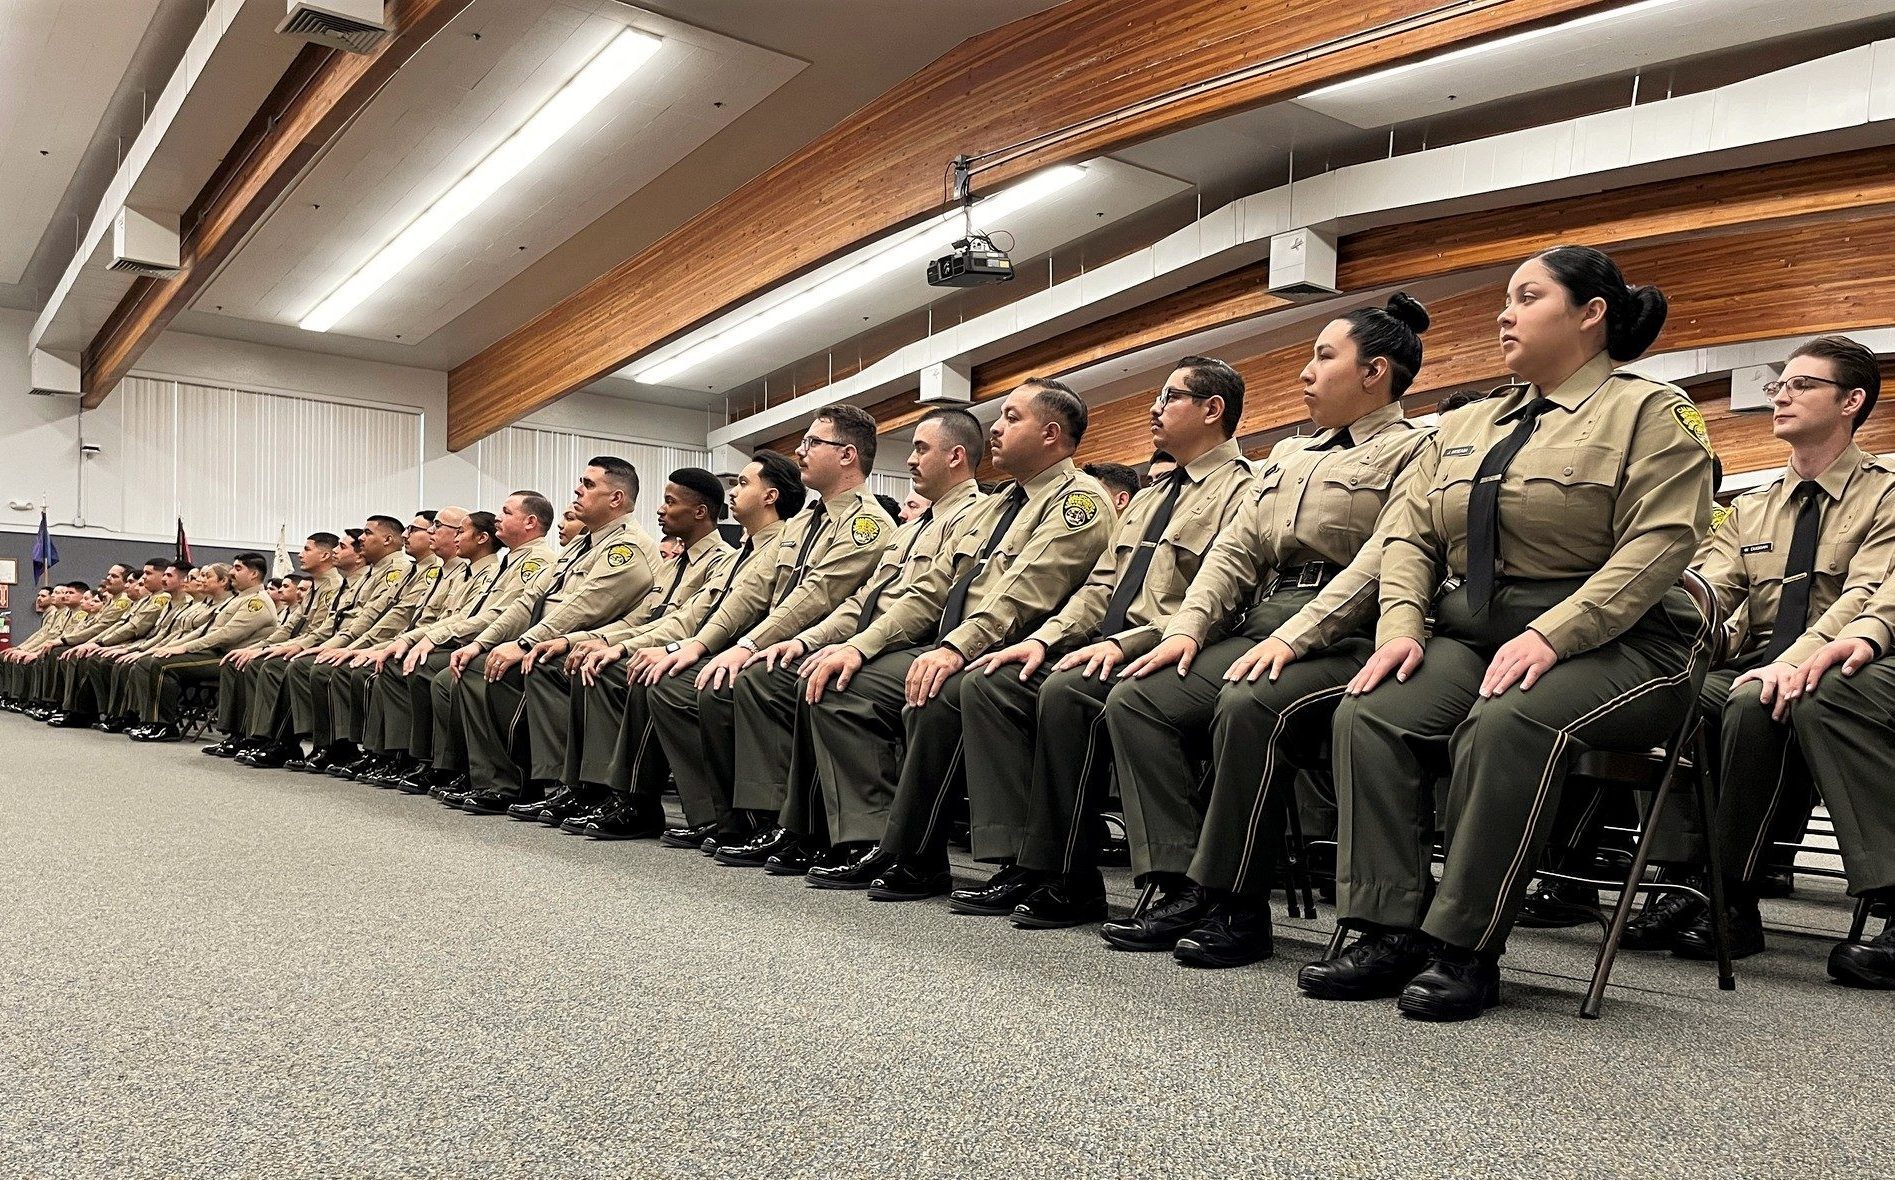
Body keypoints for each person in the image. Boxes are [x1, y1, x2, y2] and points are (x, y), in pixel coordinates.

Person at [1303, 244, 1713, 1021]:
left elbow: (1656, 547)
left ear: (1590, 314)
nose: (1503, 312)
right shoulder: (1466, 421)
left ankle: (1463, 944)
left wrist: (1556, 633)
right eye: (1506, 298)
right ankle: (1384, 927)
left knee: (1505, 721)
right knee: (1370, 710)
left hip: (1626, 645)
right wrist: (1398, 626)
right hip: (1479, 637)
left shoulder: (1651, 412)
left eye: (1527, 296)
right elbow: (1410, 538)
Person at [1105, 298, 1437, 964]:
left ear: (1373, 371)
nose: (1306, 374)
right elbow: (1234, 549)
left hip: (1348, 634)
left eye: (1323, 356)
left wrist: (1294, 638)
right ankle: (1181, 881)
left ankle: (1237, 906)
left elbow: (1384, 558)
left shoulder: (1416, 446)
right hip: (1263, 621)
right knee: (1137, 699)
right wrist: (1188, 629)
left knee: (1249, 703)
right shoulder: (1289, 453)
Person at [1615, 336, 1893, 963]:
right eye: (1778, 385)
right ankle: (1677, 878)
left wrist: (1789, 662)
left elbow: (1867, 595)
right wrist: (1661, 631)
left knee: (1752, 703)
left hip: (1843, 659)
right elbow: (1710, 596)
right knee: (1667, 690)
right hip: (1755, 661)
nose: (1781, 396)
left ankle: (1728, 898)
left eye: (1801, 384)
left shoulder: (1885, 494)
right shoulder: (1749, 508)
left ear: (1851, 402)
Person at [953, 356, 1256, 929]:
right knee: (996, 681)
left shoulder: (1244, 490)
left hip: (1175, 644)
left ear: (1213, 410)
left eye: (1170, 397)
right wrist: (1044, 639)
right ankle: (1026, 862)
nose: (1154, 407)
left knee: (1069, 692)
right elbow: (1099, 588)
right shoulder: (1147, 497)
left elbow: (1224, 598)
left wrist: (1126, 643)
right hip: (1106, 642)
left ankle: (1091, 879)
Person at [800, 378, 1115, 898]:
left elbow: (1024, 593)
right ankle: (872, 840)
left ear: (1052, 433)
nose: (995, 427)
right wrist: (860, 645)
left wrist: (953, 649)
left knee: (943, 693)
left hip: (1022, 648)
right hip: (957, 645)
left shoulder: (1078, 502)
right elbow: (930, 588)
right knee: (843, 685)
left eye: (1012, 418)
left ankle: (968, 856)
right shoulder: (994, 506)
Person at [717, 408, 988, 871]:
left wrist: (855, 648)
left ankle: (870, 838)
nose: (909, 460)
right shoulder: (916, 526)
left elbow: (923, 599)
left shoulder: (956, 517)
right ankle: (791, 826)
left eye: (920, 449)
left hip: (923, 643)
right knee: (784, 673)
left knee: (835, 687)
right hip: (885, 639)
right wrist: (807, 643)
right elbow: (862, 602)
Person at [641, 408, 896, 850]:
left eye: (814, 442)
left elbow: (814, 599)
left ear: (847, 455)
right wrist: (699, 644)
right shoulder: (799, 524)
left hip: (818, 645)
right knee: (679, 682)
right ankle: (723, 817)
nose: (801, 450)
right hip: (776, 644)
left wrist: (749, 645)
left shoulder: (866, 525)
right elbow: (750, 594)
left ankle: (779, 821)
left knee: (750, 680)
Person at [557, 455, 802, 836]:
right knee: (617, 668)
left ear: (770, 496)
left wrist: (673, 650)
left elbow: (754, 616)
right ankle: (604, 794)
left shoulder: (775, 548)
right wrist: (617, 645)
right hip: (704, 648)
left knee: (660, 681)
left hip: (747, 654)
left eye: (742, 483)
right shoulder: (739, 555)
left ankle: (698, 811)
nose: (733, 492)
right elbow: (680, 616)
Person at [518, 468, 734, 829]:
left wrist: (620, 649)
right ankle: (585, 789)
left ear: (700, 512)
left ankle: (634, 800)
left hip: (681, 651)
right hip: (649, 646)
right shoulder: (670, 566)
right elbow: (638, 619)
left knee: (628, 674)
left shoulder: (722, 561)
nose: (660, 511)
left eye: (670, 502)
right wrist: (587, 641)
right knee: (587, 661)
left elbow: (686, 624)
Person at [447, 458, 660, 813]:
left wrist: (524, 643)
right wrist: (484, 642)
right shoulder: (580, 546)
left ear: (616, 498)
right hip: (554, 641)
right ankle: (506, 782)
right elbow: (530, 599)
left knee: (540, 666)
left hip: (589, 644)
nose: (578, 490)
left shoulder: (628, 547)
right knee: (476, 664)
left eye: (589, 485)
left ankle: (563, 785)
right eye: (580, 482)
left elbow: (583, 606)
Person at [393, 493, 559, 796]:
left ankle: (469, 770)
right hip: (493, 642)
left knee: (442, 672)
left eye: (506, 512)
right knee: (429, 668)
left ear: (530, 522)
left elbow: (507, 615)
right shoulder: (511, 562)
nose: (498, 518)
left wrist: (471, 643)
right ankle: (445, 766)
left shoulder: (537, 562)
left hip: (521, 646)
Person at [207, 534, 345, 759]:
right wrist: (261, 647)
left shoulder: (333, 587)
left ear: (324, 555)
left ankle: (277, 740)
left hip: (318, 648)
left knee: (272, 666)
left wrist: (288, 648)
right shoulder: (315, 588)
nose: (300, 553)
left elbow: (321, 632)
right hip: (303, 645)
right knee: (245, 660)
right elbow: (288, 628)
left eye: (307, 549)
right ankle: (241, 734)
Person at [125, 553, 279, 742]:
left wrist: (185, 649)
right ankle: (149, 721)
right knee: (149, 661)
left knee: (162, 665)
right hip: (218, 653)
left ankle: (164, 725)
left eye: (238, 569)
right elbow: (205, 631)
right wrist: (179, 646)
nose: (232, 572)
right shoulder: (238, 599)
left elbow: (227, 634)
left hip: (228, 656)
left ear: (254, 574)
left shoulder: (257, 601)